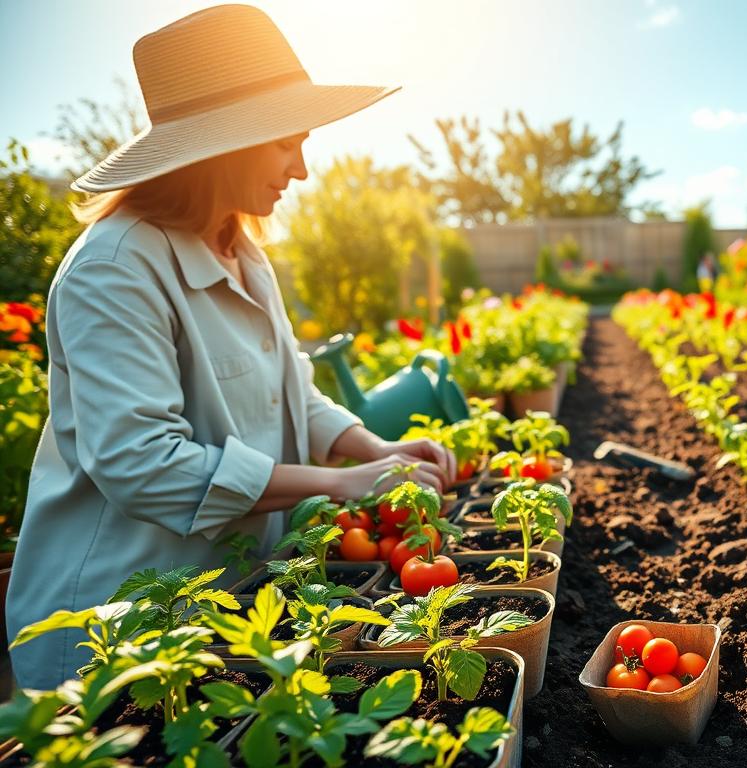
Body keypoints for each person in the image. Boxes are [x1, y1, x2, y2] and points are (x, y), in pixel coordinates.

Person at [6, 4, 454, 688]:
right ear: (224, 145)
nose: (301, 169)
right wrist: (338, 483)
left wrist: (376, 451)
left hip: (229, 600)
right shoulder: (115, 267)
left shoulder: (243, 251)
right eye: (286, 144)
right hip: (115, 634)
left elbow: (291, 392)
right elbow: (143, 463)